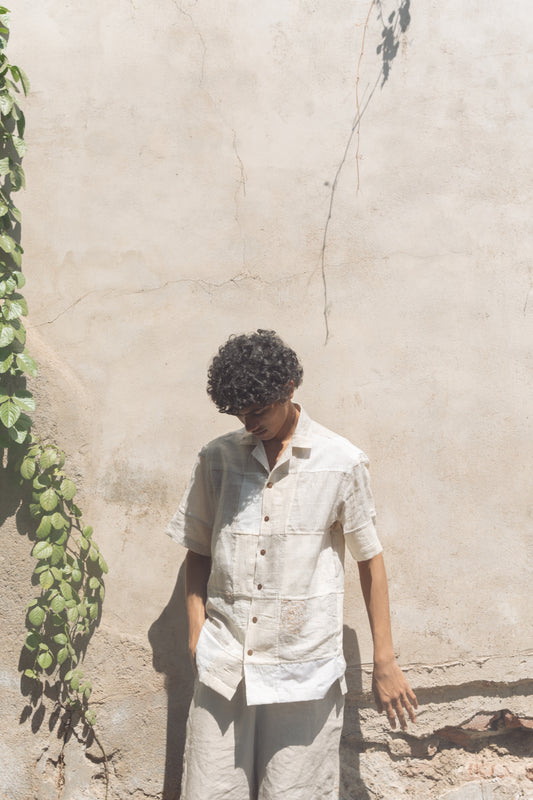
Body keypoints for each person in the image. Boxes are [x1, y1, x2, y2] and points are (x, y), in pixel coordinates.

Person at [166, 329, 417, 800]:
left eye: (258, 409)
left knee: (295, 792)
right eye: (240, 412)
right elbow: (197, 549)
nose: (249, 420)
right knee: (210, 790)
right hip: (225, 666)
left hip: (303, 668)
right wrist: (196, 631)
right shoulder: (217, 459)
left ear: (288, 390)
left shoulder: (340, 462)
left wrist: (385, 660)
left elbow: (370, 559)